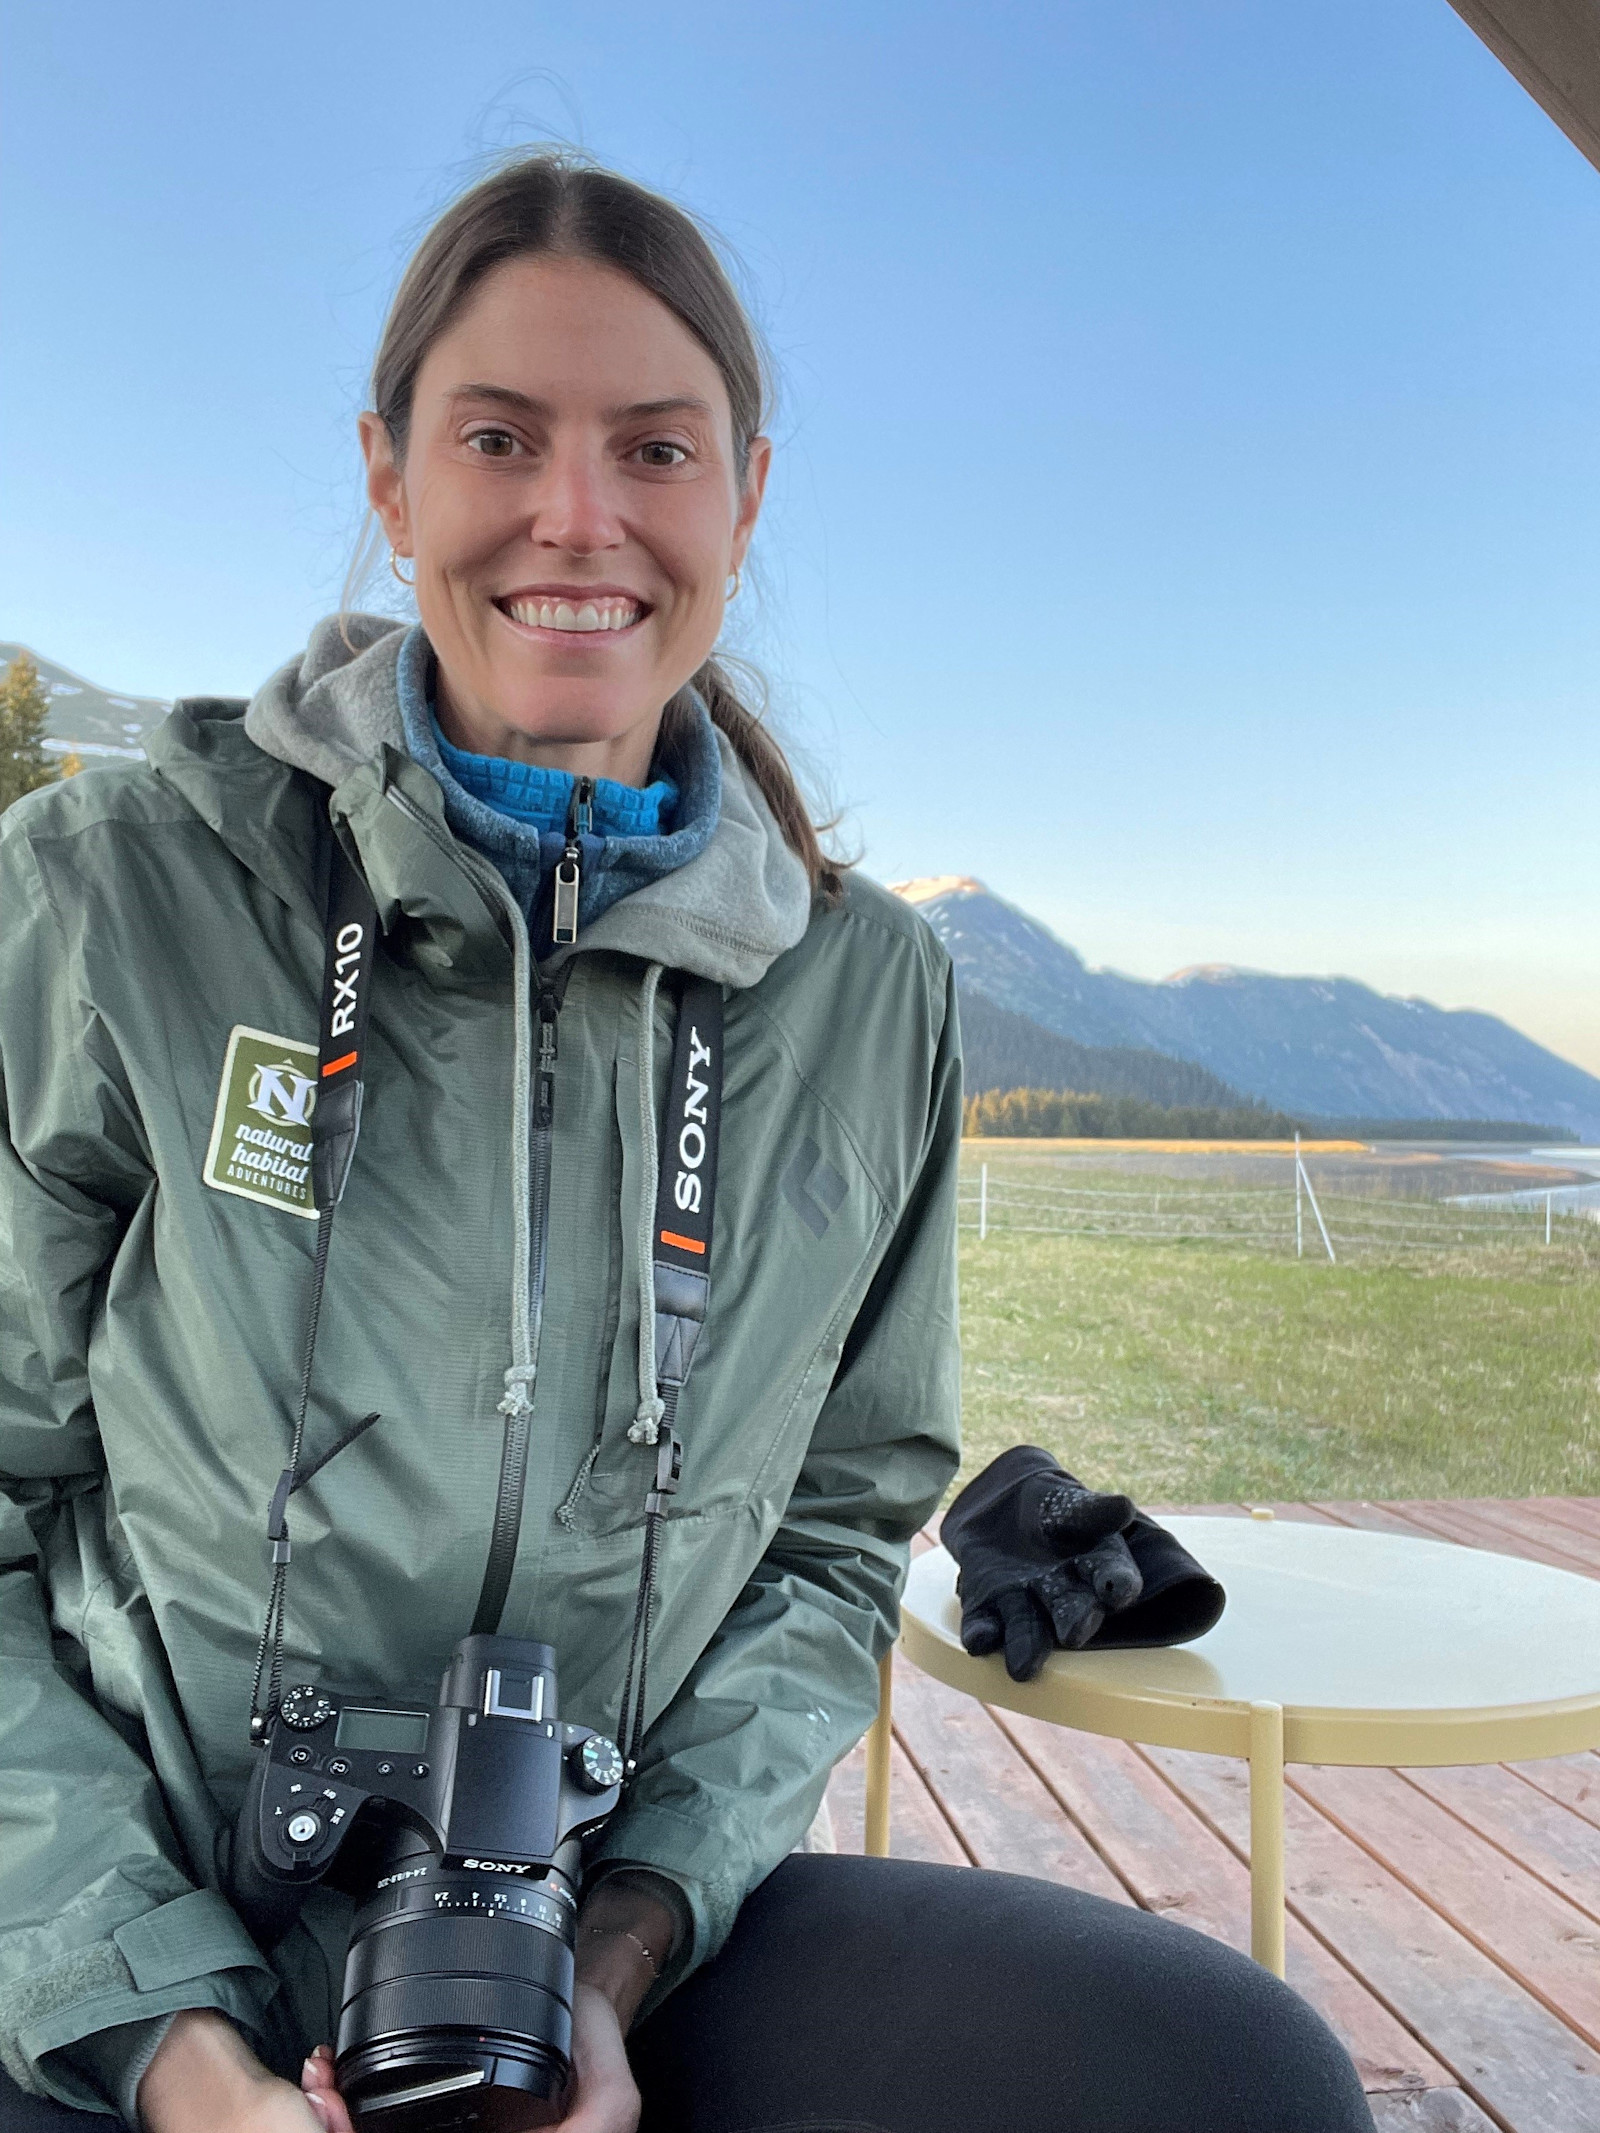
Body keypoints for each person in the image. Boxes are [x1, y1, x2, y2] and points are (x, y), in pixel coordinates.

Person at [0, 153, 1374, 2133]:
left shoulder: (860, 990)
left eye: (653, 445)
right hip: (108, 1953)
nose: (578, 514)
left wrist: (622, 1948)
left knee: (1220, 2076)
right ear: (389, 478)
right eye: (499, 435)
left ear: (741, 495)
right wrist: (171, 2049)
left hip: (602, 1950)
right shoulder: (110, 896)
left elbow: (827, 1539)